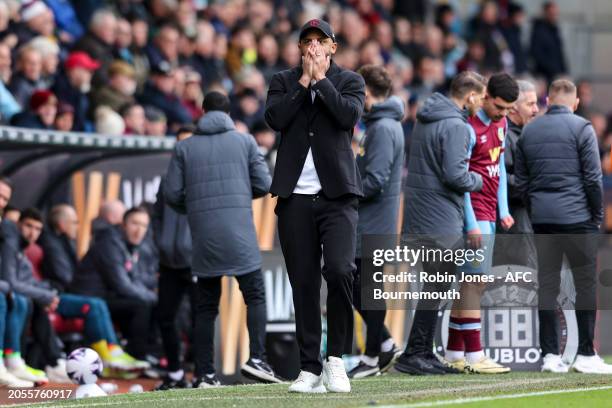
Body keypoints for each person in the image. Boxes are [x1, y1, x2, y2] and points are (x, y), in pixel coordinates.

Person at [265, 19, 365, 393]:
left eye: (319, 41)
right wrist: (305, 82)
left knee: (340, 271)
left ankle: (335, 359)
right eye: (306, 42)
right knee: (303, 283)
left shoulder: (349, 81)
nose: (312, 48)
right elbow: (275, 118)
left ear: (333, 47)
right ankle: (308, 367)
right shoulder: (283, 81)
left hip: (337, 196)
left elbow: (347, 117)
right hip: (295, 198)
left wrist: (321, 80)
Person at [164, 91, 279, 388]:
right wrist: (241, 195)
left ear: (203, 112)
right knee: (254, 295)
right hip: (239, 231)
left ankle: (205, 373)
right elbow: (265, 184)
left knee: (206, 307)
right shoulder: (245, 141)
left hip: (204, 237)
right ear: (229, 114)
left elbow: (171, 195)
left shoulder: (185, 147)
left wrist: (194, 207)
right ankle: (257, 359)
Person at [516, 79, 611, 374]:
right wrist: (596, 215)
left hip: (543, 220)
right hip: (579, 220)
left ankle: (549, 355)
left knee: (547, 286)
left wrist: (536, 210)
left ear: (548, 100)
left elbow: (521, 182)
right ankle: (585, 354)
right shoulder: (583, 128)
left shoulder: (529, 130)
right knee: (584, 285)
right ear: (575, 103)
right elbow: (593, 179)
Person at [394, 71, 485, 375]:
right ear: (470, 95)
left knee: (434, 287)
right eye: (481, 97)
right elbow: (455, 175)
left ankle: (420, 350)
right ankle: (416, 352)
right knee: (437, 286)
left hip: (420, 215)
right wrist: (478, 179)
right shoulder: (456, 125)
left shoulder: (426, 117)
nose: (481, 103)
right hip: (441, 217)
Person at [3, 208, 148, 376]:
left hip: (48, 294)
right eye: (29, 226)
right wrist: (47, 294)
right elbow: (15, 281)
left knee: (97, 303)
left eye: (37, 229)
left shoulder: (26, 248)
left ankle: (113, 352)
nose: (32, 233)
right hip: (47, 296)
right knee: (91, 304)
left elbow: (32, 280)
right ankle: (101, 358)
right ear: (18, 225)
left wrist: (46, 289)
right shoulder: (18, 244)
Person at [444, 73, 518, 374]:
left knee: (472, 284)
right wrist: (471, 223)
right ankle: (475, 355)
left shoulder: (502, 124)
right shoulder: (468, 128)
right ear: (485, 96)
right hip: (474, 214)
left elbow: (498, 163)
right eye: (499, 107)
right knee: (473, 283)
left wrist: (504, 208)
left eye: (507, 110)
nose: (503, 114)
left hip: (490, 213)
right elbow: (461, 180)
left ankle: (453, 351)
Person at [348, 65, 404, 379]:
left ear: (366, 93)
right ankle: (383, 342)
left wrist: (346, 192)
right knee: (362, 288)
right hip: (373, 222)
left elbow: (376, 181)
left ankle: (372, 356)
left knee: (366, 289)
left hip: (373, 223)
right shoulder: (381, 125)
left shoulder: (382, 128)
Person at [71, 207, 157, 361]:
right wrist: (154, 298)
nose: (139, 230)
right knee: (141, 305)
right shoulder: (109, 243)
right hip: (89, 298)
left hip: (107, 296)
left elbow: (134, 279)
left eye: (144, 225)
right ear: (123, 224)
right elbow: (122, 284)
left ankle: (146, 354)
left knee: (144, 303)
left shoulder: (129, 245)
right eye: (135, 223)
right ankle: (137, 357)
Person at [153, 126, 194, 390]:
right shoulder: (167, 180)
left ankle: (203, 374)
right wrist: (161, 243)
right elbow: (157, 217)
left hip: (196, 261)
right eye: (179, 143)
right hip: (168, 261)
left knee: (199, 319)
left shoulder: (204, 179)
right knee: (165, 317)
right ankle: (176, 373)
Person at [493, 80, 539, 269]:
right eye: (530, 104)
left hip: (522, 222)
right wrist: (536, 186)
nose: (536, 109)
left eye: (536, 103)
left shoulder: (527, 134)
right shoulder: (503, 137)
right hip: (511, 227)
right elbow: (499, 179)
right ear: (512, 108)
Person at [530, 1, 566, 83]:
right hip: (544, 74)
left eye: (555, 13)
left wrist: (563, 70)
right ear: (545, 13)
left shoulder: (555, 30)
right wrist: (552, 70)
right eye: (551, 13)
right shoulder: (538, 31)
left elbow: (560, 53)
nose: (554, 16)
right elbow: (536, 54)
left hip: (557, 73)